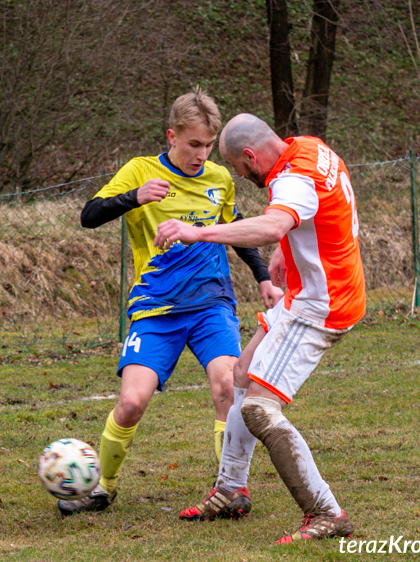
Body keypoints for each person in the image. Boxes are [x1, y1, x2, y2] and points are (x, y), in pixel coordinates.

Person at [57, 92, 282, 516]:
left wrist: (264, 277)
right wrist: (134, 197)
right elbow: (89, 215)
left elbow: (234, 229)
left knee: (226, 386)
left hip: (211, 304)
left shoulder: (219, 178)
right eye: (193, 144)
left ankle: (231, 488)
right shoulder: (140, 171)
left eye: (208, 145)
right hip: (156, 309)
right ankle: (102, 487)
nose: (201, 154)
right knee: (132, 402)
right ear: (172, 136)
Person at [154, 113, 366, 544]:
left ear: (251, 155)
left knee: (258, 408)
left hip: (320, 304)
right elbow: (320, 211)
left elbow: (273, 224)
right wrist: (289, 251)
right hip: (312, 287)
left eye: (239, 168)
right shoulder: (307, 147)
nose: (240, 175)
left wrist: (197, 233)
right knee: (239, 377)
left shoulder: (292, 178)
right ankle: (231, 490)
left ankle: (327, 512)